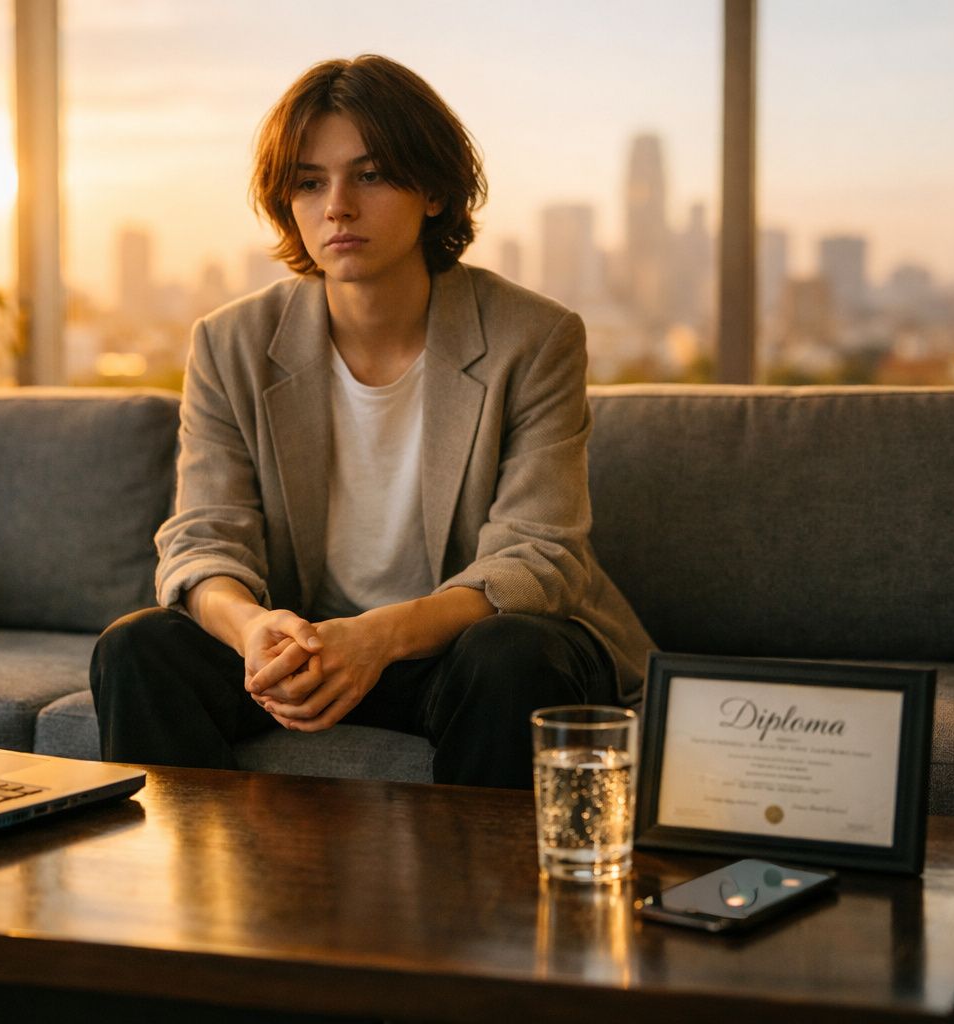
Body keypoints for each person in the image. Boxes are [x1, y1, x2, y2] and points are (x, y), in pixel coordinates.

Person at [90, 54, 654, 788]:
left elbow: (540, 557)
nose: (338, 206)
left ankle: (484, 903)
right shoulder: (229, 344)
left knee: (514, 653)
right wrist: (255, 628)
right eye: (309, 181)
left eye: (373, 173)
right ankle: (196, 899)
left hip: (457, 650)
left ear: (433, 191)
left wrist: (379, 638)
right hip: (306, 650)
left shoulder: (534, 337)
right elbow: (204, 538)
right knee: (140, 648)